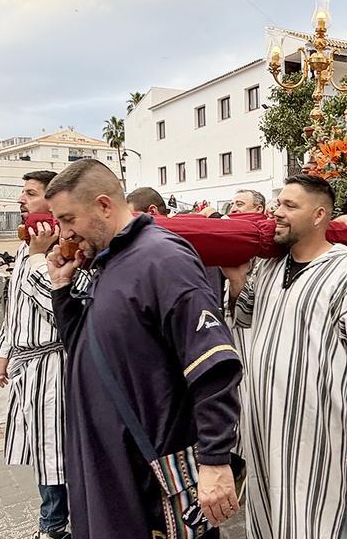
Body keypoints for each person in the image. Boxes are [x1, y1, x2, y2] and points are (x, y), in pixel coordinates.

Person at [46, 159, 243, 538]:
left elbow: (212, 365)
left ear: (104, 205)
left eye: (68, 218)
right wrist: (61, 291)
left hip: (152, 475)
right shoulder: (110, 261)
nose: (63, 233)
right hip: (109, 467)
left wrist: (215, 461)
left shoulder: (162, 259)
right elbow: (87, 351)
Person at [230, 174, 347, 537]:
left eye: (289, 206)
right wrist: (235, 277)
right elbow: (243, 317)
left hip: (321, 433)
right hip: (264, 429)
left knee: (323, 521)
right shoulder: (268, 266)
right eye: (278, 203)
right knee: (269, 519)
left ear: (319, 215)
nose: (277, 213)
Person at [0, 171, 70, 539]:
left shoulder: (63, 249)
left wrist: (41, 257)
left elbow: (60, 307)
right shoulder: (26, 248)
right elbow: (16, 306)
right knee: (41, 450)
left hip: (53, 365)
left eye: (30, 193)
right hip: (27, 363)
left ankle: (53, 527)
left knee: (52, 452)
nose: (21, 200)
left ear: (52, 201)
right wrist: (3, 351)